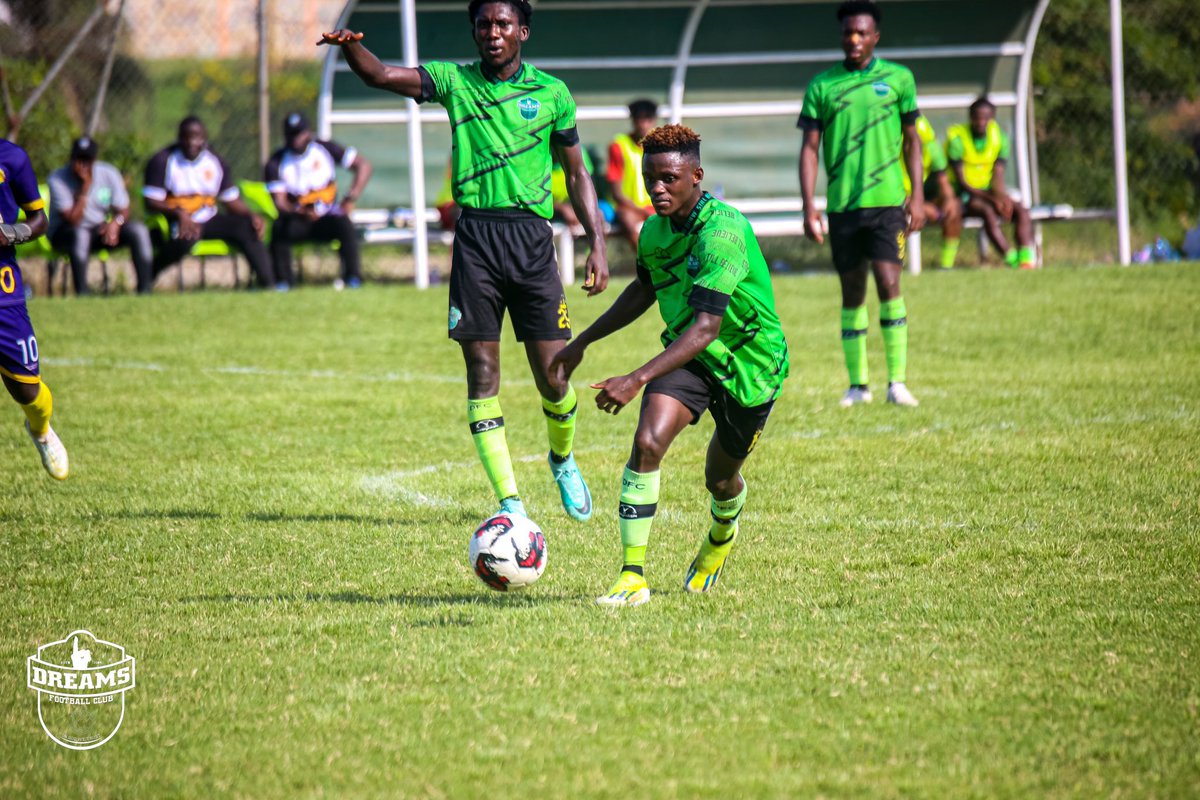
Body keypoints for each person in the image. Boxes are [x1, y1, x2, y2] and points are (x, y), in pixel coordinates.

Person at [319, 0, 609, 522]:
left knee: (556, 375)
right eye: (483, 24)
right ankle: (510, 504)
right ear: (474, 31)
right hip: (475, 240)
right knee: (482, 371)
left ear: (522, 30)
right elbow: (383, 75)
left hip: (531, 240)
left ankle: (562, 458)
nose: (492, 33)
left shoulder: (552, 94)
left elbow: (577, 173)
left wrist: (599, 241)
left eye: (502, 24)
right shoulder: (453, 81)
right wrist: (351, 48)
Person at [552, 124, 789, 606]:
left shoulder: (722, 233)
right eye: (650, 178)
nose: (657, 188)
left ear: (697, 175)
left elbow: (706, 327)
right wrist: (585, 342)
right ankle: (631, 577)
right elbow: (644, 288)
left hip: (750, 363)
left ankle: (721, 534)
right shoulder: (653, 231)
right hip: (691, 357)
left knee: (720, 480)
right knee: (647, 442)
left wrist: (636, 377)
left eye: (669, 178)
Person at [799, 0, 924, 408]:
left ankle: (898, 383)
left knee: (889, 283)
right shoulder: (822, 86)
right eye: (847, 33)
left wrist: (918, 196)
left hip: (888, 204)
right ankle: (858, 385)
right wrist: (808, 206)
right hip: (843, 207)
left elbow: (913, 141)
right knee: (852, 291)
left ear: (875, 36)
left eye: (861, 33)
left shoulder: (899, 79)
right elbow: (810, 149)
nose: (853, 39)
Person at [0, 138, 69, 479]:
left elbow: (39, 221)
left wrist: (11, 232)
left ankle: (40, 429)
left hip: (3, 288)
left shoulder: (12, 157)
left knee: (27, 389)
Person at [143, 117, 274, 288]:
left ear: (204, 138)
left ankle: (269, 284)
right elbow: (151, 201)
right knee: (187, 237)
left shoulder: (215, 162)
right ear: (179, 138)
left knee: (247, 228)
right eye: (186, 137)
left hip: (208, 217)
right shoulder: (163, 160)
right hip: (177, 218)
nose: (191, 142)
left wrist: (251, 215)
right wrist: (179, 214)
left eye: (196, 137)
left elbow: (231, 199)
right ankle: (148, 277)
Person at [265, 112, 373, 290]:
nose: (295, 140)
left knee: (344, 224)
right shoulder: (276, 161)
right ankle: (284, 283)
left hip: (327, 218)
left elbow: (364, 165)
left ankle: (353, 279)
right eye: (291, 135)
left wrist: (350, 198)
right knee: (279, 228)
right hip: (298, 219)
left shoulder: (325, 149)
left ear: (308, 133)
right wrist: (301, 211)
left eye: (299, 134)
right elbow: (280, 203)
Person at [47, 136, 154, 295]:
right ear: (71, 158)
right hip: (65, 233)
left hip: (98, 230)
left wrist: (116, 223)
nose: (83, 164)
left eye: (87, 160)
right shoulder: (58, 179)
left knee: (138, 230)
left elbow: (123, 209)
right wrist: (84, 190)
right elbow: (72, 220)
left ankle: (145, 291)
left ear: (94, 159)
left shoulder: (108, 173)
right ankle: (83, 294)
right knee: (81, 234)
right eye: (79, 159)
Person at [947, 97, 1036, 270]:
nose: (981, 122)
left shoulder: (1000, 138)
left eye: (985, 118)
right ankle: (1010, 258)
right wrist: (993, 200)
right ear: (970, 117)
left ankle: (1026, 259)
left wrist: (1002, 198)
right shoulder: (957, 140)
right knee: (987, 211)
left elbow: (998, 174)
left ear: (992, 118)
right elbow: (962, 182)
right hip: (965, 194)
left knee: (1021, 210)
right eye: (977, 117)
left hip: (989, 192)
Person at [905, 116, 962, 270]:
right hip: (895, 200)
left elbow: (944, 183)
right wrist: (917, 205)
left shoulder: (932, 148)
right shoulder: (891, 151)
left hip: (920, 200)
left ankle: (946, 266)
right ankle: (896, 265)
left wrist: (949, 199)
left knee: (954, 207)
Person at [606, 99, 657, 251]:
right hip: (629, 208)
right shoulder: (619, 146)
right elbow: (617, 193)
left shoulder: (661, 145)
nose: (643, 124)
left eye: (647, 119)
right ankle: (647, 264)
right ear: (633, 120)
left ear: (653, 120)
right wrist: (641, 211)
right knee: (627, 219)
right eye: (639, 119)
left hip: (655, 206)